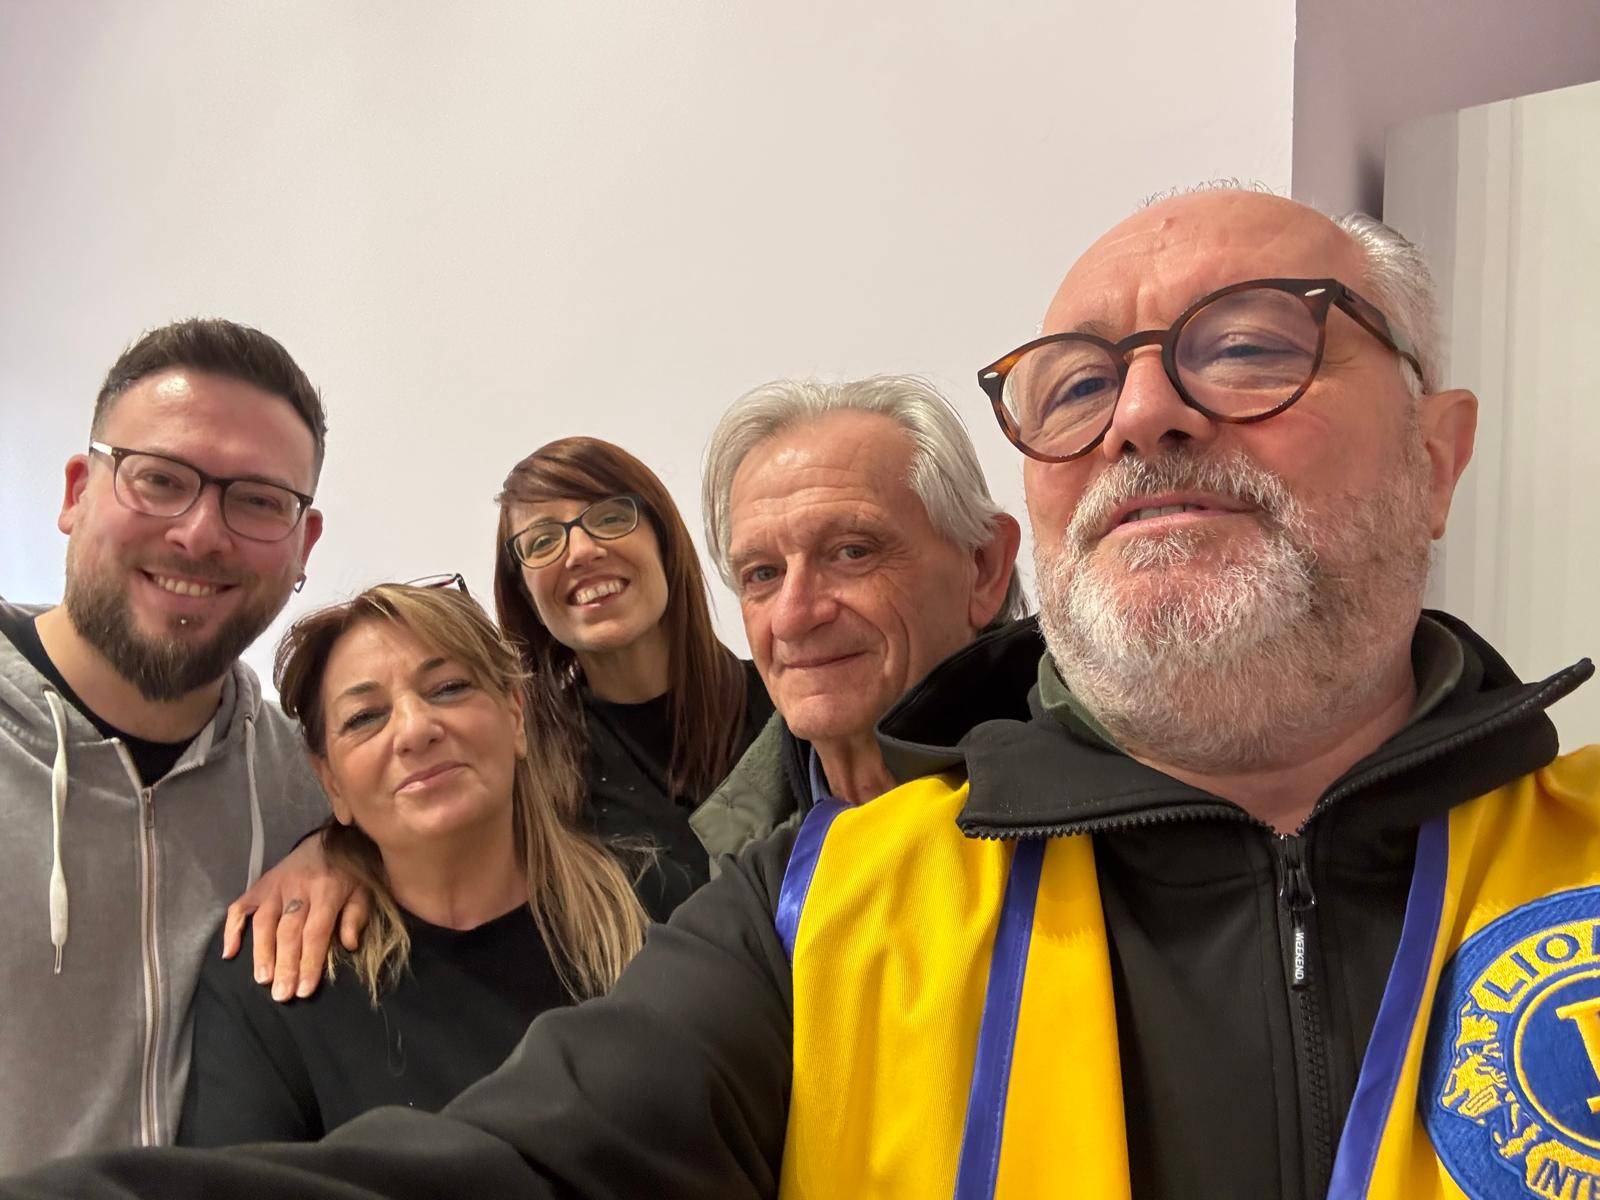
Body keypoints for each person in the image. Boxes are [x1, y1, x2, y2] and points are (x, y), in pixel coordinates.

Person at [9, 193, 1599, 1200]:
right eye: (1076, 385)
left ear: (1439, 450)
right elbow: (513, 1166)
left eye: (1249, 350)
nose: (1144, 415)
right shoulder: (803, 906)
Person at [0, 319, 365, 1171]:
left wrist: (347, 847)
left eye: (258, 500)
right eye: (160, 479)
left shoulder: (310, 788)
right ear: (76, 491)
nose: (201, 534)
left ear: (304, 545)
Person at [178, 583, 651, 1144]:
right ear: (331, 783)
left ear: (516, 716)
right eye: (364, 718)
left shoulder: (653, 911)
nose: (415, 730)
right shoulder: (271, 981)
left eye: (449, 688)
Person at [690, 374, 1025, 861]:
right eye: (763, 573)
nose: (792, 617)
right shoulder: (732, 854)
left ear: (983, 568)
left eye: (852, 551)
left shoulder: (1114, 794)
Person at [493, 437, 772, 903]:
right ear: (525, 594)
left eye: (610, 518)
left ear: (663, 541)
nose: (581, 551)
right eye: (543, 541)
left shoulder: (789, 710)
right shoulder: (526, 780)